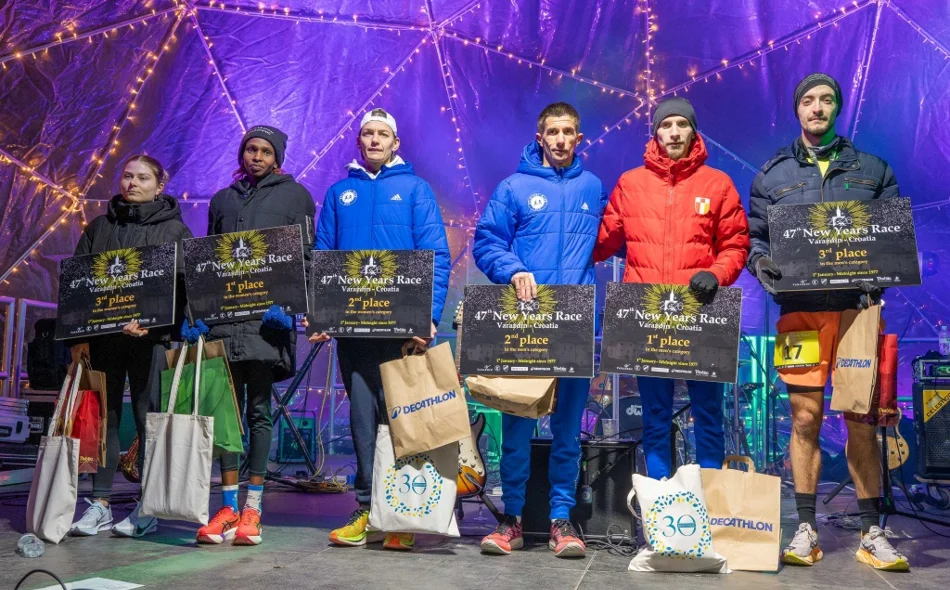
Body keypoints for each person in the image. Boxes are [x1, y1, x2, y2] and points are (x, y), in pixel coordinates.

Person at [747, 73, 908, 571]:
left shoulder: (873, 170)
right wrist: (761, 266)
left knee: (860, 419)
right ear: (797, 110)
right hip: (798, 313)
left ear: (838, 108)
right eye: (809, 101)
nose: (817, 108)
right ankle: (805, 528)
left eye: (826, 100)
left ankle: (871, 531)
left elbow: (893, 237)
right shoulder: (771, 175)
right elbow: (756, 239)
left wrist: (884, 272)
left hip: (856, 313)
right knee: (804, 418)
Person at [308, 108, 451, 551]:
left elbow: (436, 256)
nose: (373, 140)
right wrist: (320, 316)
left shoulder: (415, 189)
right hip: (353, 333)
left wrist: (428, 317)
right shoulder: (338, 193)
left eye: (382, 134)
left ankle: (402, 511)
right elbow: (322, 257)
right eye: (367, 133)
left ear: (395, 143)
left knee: (403, 422)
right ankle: (368, 509)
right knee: (361, 421)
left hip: (401, 332)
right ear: (359, 142)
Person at [472, 102, 606, 558]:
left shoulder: (593, 186)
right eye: (554, 132)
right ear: (540, 137)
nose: (562, 139)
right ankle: (511, 519)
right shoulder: (514, 187)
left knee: (568, 432)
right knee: (517, 430)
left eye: (569, 131)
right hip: (525, 326)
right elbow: (487, 241)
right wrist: (512, 269)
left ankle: (561, 521)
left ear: (579, 137)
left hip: (572, 326)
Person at [594, 97, 750, 481]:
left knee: (709, 414)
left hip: (701, 315)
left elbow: (737, 243)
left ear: (693, 131)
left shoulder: (717, 183)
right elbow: (601, 242)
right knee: (655, 417)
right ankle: (662, 508)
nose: (674, 132)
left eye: (682, 124)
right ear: (656, 132)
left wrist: (717, 273)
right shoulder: (630, 184)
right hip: (647, 317)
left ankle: (710, 505)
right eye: (667, 125)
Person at [195, 125, 316, 546]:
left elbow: (303, 256)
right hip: (225, 326)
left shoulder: (295, 197)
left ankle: (253, 508)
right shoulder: (222, 200)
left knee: (259, 412)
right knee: (225, 416)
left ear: (277, 156)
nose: (256, 156)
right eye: (250, 149)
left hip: (267, 326)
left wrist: (292, 308)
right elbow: (209, 260)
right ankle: (227, 505)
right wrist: (200, 313)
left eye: (265, 151)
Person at [68, 155, 192, 538]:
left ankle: (148, 505)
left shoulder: (176, 232)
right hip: (105, 339)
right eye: (127, 176)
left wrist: (158, 325)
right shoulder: (99, 227)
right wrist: (79, 337)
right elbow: (78, 284)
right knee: (102, 420)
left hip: (149, 341)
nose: (132, 183)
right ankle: (100, 503)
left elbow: (185, 290)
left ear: (159, 185)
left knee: (147, 419)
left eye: (142, 177)